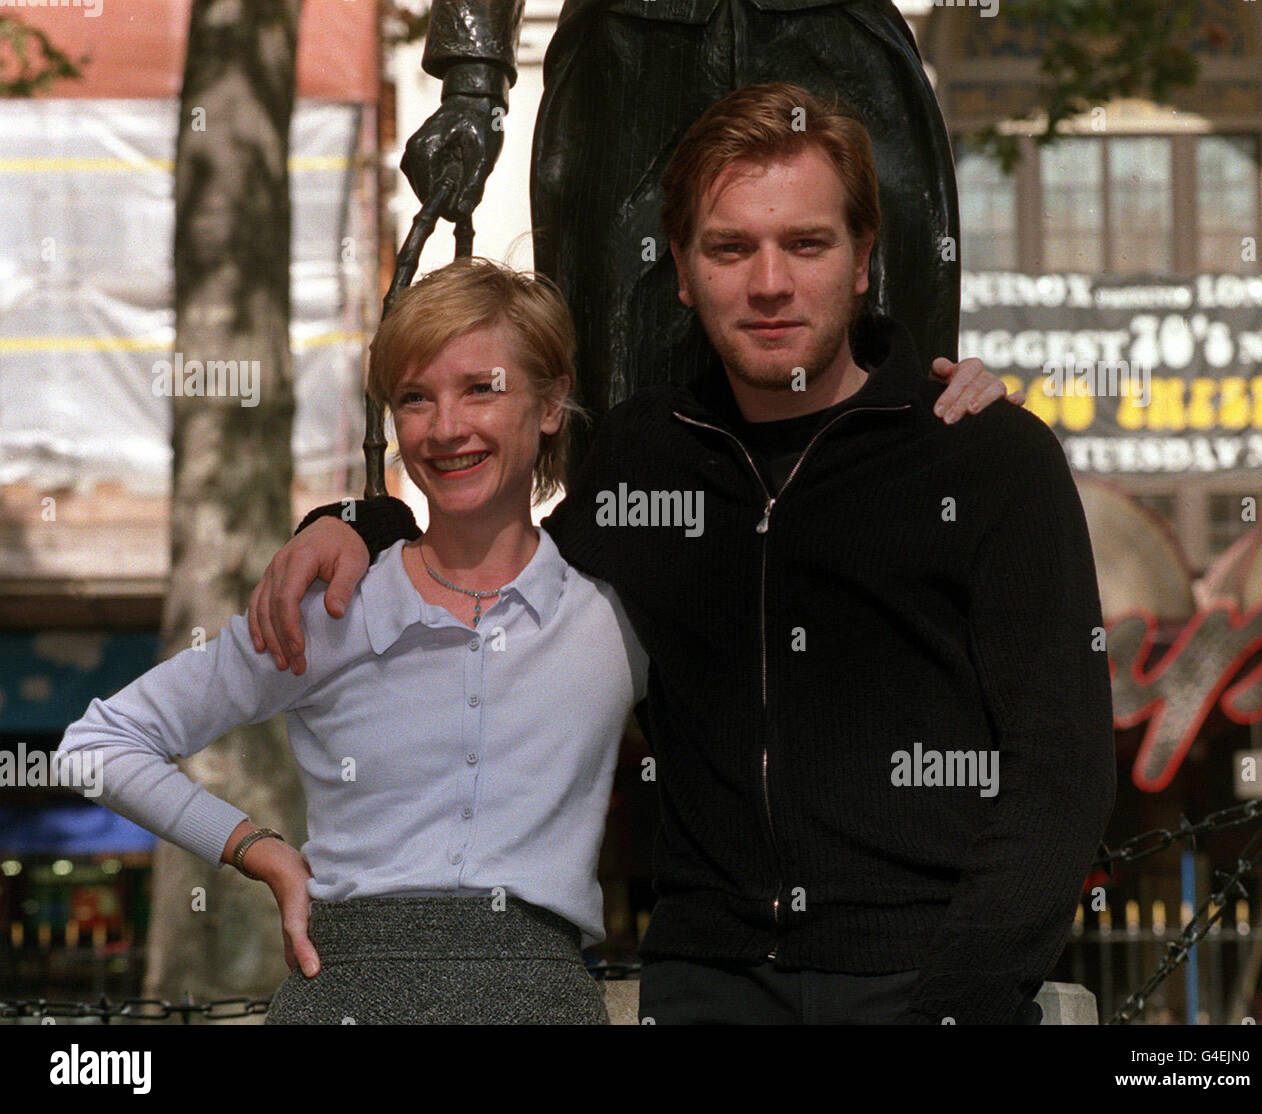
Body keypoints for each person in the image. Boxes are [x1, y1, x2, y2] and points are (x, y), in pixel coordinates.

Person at [251, 83, 1116, 1025]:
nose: (770, 282)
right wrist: (356, 521)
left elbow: (1061, 769)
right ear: (682, 269)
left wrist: (964, 1003)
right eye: (731, 248)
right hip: (706, 984)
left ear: (865, 259)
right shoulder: (646, 452)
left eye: (807, 244)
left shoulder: (985, 456)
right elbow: (490, 561)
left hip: (920, 983)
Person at [57, 258, 649, 1024]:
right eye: (414, 398)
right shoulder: (333, 605)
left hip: (541, 996)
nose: (445, 427)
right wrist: (258, 850)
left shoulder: (615, 616)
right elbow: (96, 743)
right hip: (343, 990)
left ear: (549, 403)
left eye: (481, 388)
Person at [404, 0, 971, 464]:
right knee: (611, 389)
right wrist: (471, 77)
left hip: (841, 34)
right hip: (627, 49)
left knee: (895, 359)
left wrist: (991, 432)